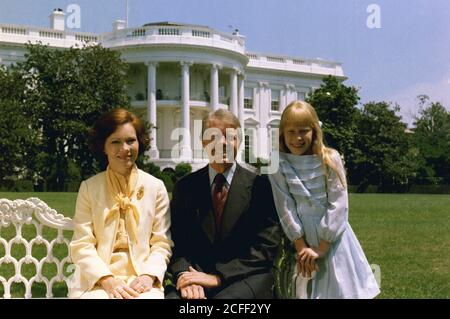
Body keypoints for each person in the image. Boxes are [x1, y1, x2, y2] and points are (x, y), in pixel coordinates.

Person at [268, 101, 380, 299]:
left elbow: (339, 204)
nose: (297, 138)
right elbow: (284, 205)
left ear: (314, 131)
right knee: (306, 289)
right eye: (291, 131)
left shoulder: (329, 158)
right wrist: (301, 247)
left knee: (341, 289)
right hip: (301, 240)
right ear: (282, 133)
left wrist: (322, 247)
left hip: (333, 239)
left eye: (304, 130)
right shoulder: (277, 162)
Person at [166, 109, 281, 299]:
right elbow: (177, 243)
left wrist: (217, 277)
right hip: (196, 276)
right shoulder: (185, 188)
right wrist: (185, 275)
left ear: (240, 142)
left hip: (246, 277)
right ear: (203, 142)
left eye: (231, 137)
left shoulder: (260, 187)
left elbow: (266, 247)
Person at [68, 108, 173, 299]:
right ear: (103, 146)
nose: (125, 149)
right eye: (115, 142)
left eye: (130, 141)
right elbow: (82, 244)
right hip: (97, 280)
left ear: (139, 143)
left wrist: (149, 276)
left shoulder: (156, 187)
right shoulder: (89, 188)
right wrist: (107, 279)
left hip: (141, 278)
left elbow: (162, 243)